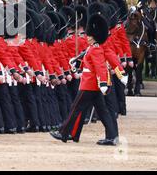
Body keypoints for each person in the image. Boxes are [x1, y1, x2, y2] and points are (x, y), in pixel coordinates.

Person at [50, 14, 118, 146]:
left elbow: (100, 67)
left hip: (89, 85)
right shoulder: (92, 48)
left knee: (75, 108)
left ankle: (64, 132)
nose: (86, 37)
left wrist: (103, 82)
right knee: (102, 111)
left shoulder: (95, 49)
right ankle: (111, 136)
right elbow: (89, 63)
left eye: (89, 35)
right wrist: (76, 64)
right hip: (91, 84)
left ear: (93, 37)